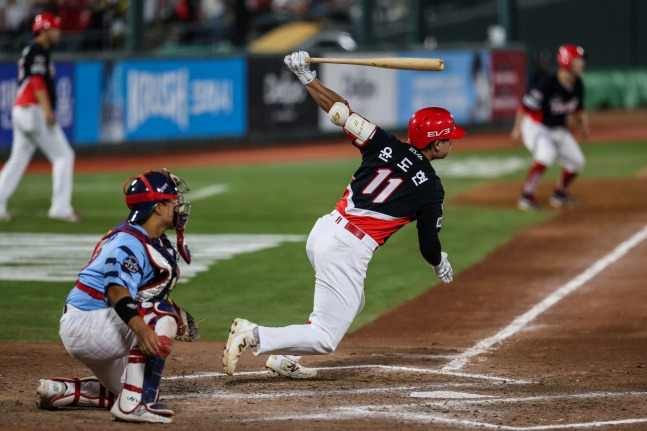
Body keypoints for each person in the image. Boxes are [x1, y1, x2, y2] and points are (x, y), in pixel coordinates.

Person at [223, 51, 464, 379]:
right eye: (449, 139)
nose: (453, 143)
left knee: (355, 302)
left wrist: (307, 77)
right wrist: (440, 262)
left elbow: (341, 113)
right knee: (325, 338)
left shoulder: (384, 143)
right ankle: (254, 334)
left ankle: (285, 358)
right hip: (347, 250)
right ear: (436, 146)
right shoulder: (432, 189)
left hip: (324, 231)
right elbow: (428, 245)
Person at [36, 169, 196, 424]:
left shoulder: (150, 237)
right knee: (160, 316)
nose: (178, 207)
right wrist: (145, 329)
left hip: (100, 323)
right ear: (157, 207)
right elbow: (116, 291)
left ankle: (63, 391)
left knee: (126, 387)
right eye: (172, 201)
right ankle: (133, 407)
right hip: (86, 325)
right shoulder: (128, 243)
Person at [0, 13, 81, 222]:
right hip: (33, 110)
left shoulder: (34, 50)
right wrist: (47, 110)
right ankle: (60, 208)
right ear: (43, 30)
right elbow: (36, 81)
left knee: (17, 160)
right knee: (64, 156)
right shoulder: (37, 50)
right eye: (54, 29)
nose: (58, 32)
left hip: (22, 110)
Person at [511, 44, 589, 211]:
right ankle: (526, 195)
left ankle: (560, 194)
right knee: (546, 154)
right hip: (536, 127)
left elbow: (579, 109)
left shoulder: (578, 84)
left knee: (577, 162)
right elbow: (524, 106)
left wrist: (584, 126)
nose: (582, 63)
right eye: (578, 60)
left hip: (557, 129)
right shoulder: (548, 83)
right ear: (567, 61)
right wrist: (517, 129)